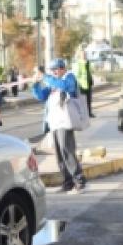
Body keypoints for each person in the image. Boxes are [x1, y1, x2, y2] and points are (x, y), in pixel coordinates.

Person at [32, 58, 86, 194]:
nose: (55, 72)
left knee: (67, 150)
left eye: (57, 69)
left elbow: (65, 87)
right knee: (59, 154)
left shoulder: (69, 78)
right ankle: (67, 181)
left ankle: (79, 181)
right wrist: (36, 85)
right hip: (54, 122)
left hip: (65, 122)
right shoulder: (52, 84)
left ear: (63, 68)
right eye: (52, 70)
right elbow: (41, 96)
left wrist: (46, 76)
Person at [74, 49, 95, 117]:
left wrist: (91, 79)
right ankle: (82, 113)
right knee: (82, 100)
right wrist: (80, 82)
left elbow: (90, 72)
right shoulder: (78, 63)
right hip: (82, 84)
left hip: (88, 83)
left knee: (89, 99)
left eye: (85, 54)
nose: (84, 55)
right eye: (83, 54)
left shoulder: (88, 62)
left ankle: (89, 113)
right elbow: (77, 75)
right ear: (80, 55)